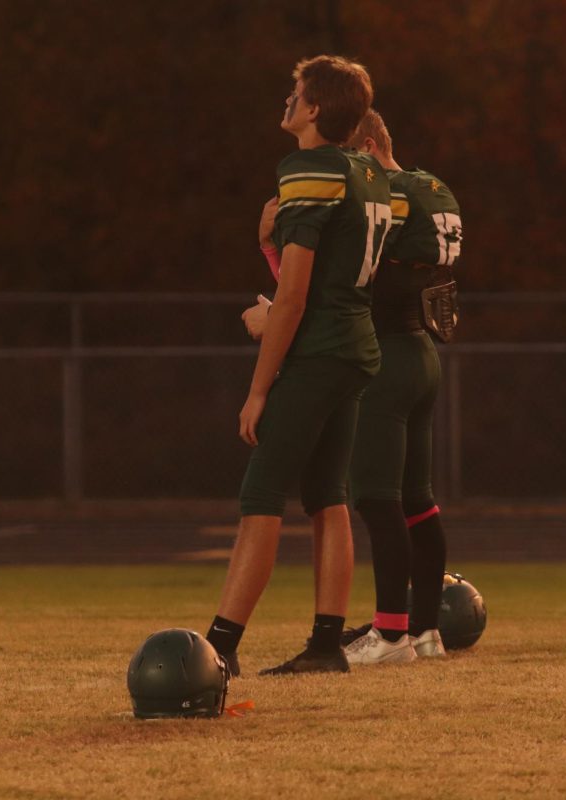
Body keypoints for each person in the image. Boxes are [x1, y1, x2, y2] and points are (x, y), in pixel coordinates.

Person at [205, 55, 392, 676]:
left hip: (319, 353)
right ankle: (325, 643)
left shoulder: (308, 167)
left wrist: (259, 388)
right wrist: (269, 246)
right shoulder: (365, 169)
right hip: (355, 345)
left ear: (315, 108)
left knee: (261, 493)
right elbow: (325, 274)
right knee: (326, 496)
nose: (287, 99)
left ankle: (222, 645)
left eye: (296, 91)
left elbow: (295, 295)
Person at [339, 109, 463, 666]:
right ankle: (426, 631)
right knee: (418, 501)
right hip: (423, 352)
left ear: (367, 145)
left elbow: (355, 272)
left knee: (377, 497)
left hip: (385, 354)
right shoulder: (433, 186)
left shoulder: (389, 193)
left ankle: (389, 634)